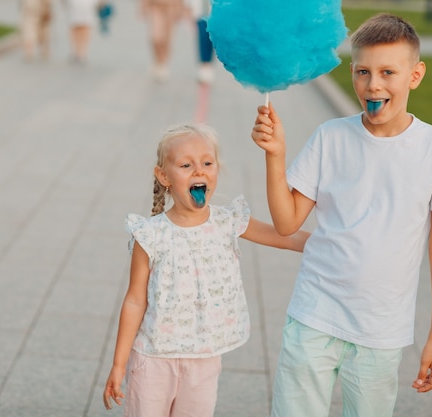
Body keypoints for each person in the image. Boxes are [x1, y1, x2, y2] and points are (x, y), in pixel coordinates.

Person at [251, 13, 432, 417]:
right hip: (314, 315)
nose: (373, 84)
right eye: (362, 72)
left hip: (381, 330)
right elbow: (288, 223)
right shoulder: (330, 137)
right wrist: (276, 156)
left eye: (388, 71)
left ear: (415, 74)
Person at [102, 123, 310, 416]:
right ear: (164, 176)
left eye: (207, 163)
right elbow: (135, 300)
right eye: (186, 165)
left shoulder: (227, 221)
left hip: (204, 357)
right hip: (154, 355)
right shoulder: (149, 235)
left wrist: (327, 244)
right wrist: (119, 364)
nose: (199, 171)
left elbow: (282, 237)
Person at [140, 0, 184, 81]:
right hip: (155, 5)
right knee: (155, 37)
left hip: (172, 6)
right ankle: (157, 59)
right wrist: (143, 6)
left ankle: (163, 64)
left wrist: (181, 8)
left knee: (167, 37)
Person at [185, 0, 215, 84]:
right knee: (202, 37)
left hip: (214, 12)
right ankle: (204, 65)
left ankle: (208, 65)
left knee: (211, 40)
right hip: (200, 13)